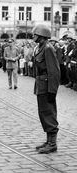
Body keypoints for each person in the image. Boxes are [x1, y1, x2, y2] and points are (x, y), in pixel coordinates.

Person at [32, 24, 60, 154]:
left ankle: (52, 143)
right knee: (43, 113)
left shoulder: (48, 48)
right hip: (41, 85)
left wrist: (52, 91)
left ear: (42, 36)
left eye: (35, 34)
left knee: (49, 113)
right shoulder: (40, 47)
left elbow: (54, 71)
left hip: (47, 86)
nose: (33, 36)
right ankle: (48, 141)